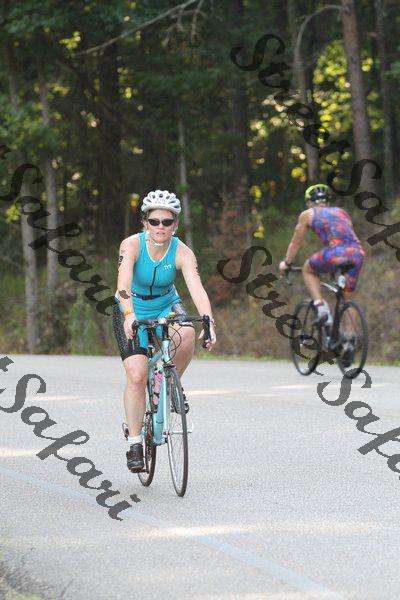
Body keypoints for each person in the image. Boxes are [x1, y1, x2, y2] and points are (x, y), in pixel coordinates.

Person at [113, 190, 216, 472]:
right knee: (137, 375)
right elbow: (123, 286)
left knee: (187, 335)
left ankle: (169, 383)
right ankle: (135, 443)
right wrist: (129, 315)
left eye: (167, 222)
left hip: (166, 305)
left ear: (175, 225)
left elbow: (196, 289)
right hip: (132, 307)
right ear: (145, 223)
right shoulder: (131, 245)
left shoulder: (182, 252)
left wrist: (209, 322)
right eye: (154, 221)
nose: (160, 227)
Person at [279, 184, 365, 358]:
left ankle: (320, 306)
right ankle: (349, 340)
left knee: (308, 269)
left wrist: (286, 263)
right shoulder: (341, 212)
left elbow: (296, 243)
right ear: (327, 201)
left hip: (336, 253)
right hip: (357, 253)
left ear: (309, 202)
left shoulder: (308, 214)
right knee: (346, 300)